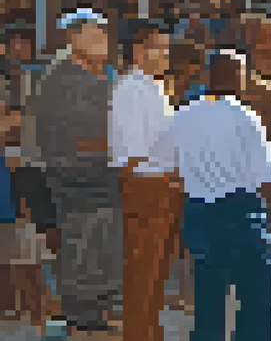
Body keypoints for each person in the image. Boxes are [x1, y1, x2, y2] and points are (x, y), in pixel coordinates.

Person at [147, 50, 271, 341]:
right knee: (254, 296)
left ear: (207, 77)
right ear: (240, 79)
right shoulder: (245, 117)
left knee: (208, 299)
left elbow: (157, 162)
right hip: (241, 211)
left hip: (199, 212)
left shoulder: (184, 114)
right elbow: (267, 178)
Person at [32, 8, 124, 337]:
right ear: (74, 38)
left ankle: (94, 311)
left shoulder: (99, 75)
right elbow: (81, 134)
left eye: (104, 34)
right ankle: (81, 315)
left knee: (100, 246)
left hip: (99, 177)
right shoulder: (65, 79)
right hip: (77, 178)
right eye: (95, 34)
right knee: (83, 247)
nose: (104, 41)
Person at [110, 22, 179, 341]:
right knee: (142, 273)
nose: (166, 55)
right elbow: (132, 154)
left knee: (156, 273)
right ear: (139, 51)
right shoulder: (130, 90)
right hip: (146, 187)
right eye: (160, 48)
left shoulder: (153, 86)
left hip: (163, 186)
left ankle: (151, 332)